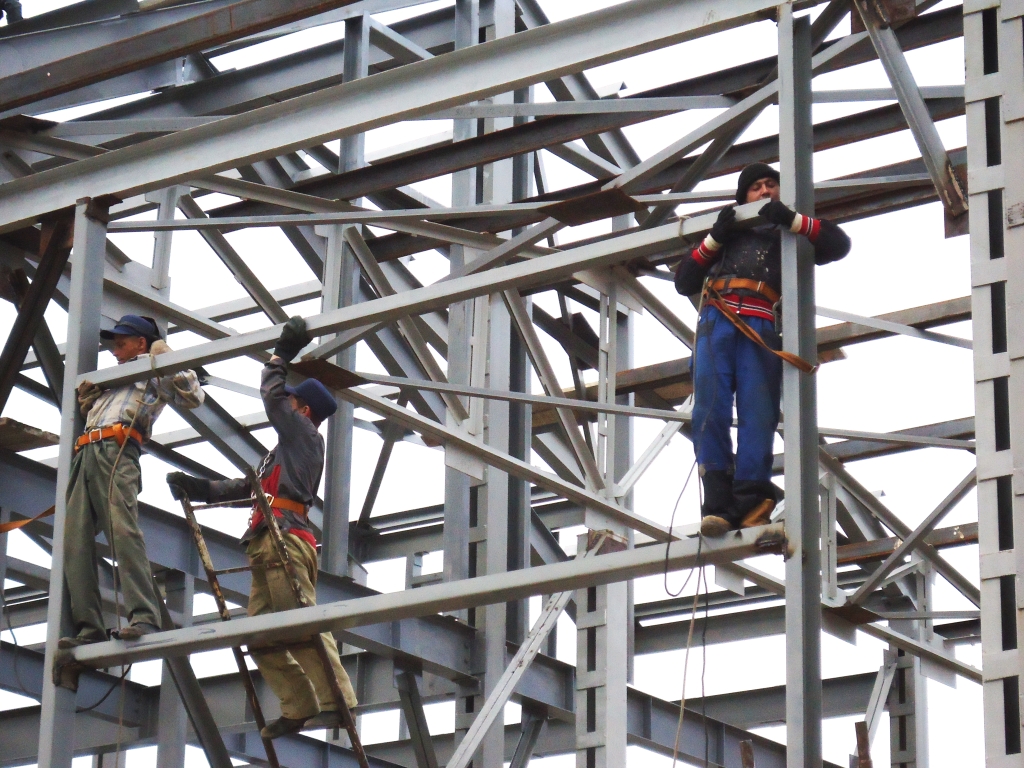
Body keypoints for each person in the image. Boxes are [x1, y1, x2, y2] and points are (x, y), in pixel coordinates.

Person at [166, 316, 357, 740]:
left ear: (303, 410)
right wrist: (199, 488)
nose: (284, 406)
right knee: (260, 636)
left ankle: (338, 703)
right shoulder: (284, 452)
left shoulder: (304, 434)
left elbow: (273, 397)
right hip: (268, 543)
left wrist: (280, 357)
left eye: (291, 402)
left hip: (285, 540)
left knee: (299, 621)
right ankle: (300, 706)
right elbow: (247, 488)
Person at [675, 163, 852, 537]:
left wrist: (793, 220)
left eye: (771, 185)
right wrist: (714, 238)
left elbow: (839, 244)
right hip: (716, 321)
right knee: (710, 409)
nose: (765, 191)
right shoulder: (726, 235)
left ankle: (752, 499)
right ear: (744, 196)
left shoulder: (786, 234)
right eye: (756, 187)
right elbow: (684, 280)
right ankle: (719, 504)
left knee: (759, 413)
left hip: (759, 323)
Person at [60, 315, 205, 648]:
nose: (115, 350)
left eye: (121, 343)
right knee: (74, 539)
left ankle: (144, 617)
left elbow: (193, 396)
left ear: (141, 342)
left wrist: (163, 352)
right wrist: (89, 402)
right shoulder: (114, 377)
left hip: (118, 449)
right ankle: (89, 627)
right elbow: (94, 411)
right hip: (86, 451)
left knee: (122, 531)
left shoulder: (153, 368)